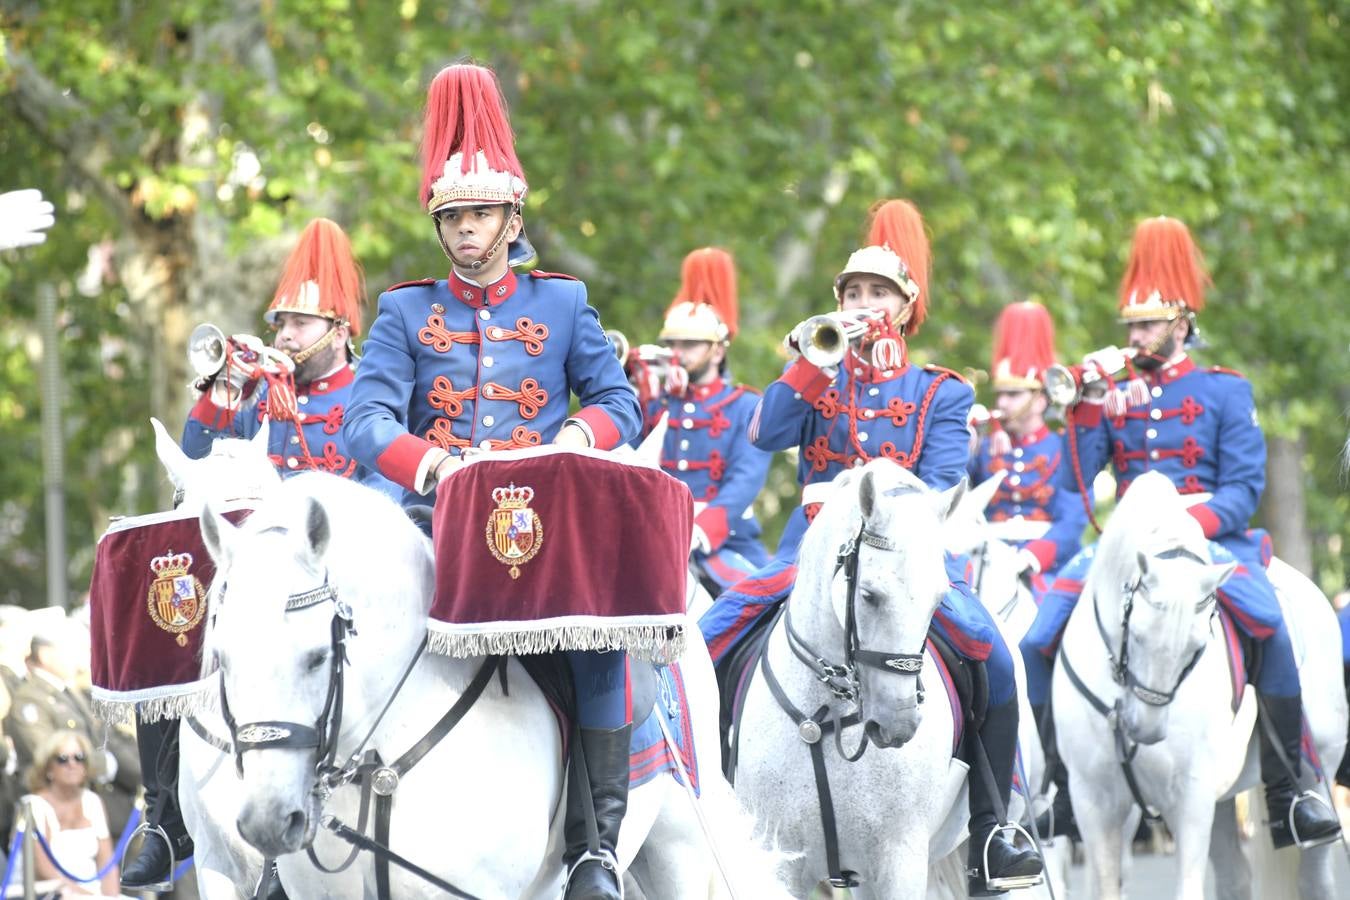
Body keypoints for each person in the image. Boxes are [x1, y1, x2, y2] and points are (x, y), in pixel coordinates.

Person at [343, 63, 641, 899]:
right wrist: (435, 466)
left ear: (512, 217)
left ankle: (595, 847)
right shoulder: (404, 311)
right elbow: (363, 424)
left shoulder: (564, 301)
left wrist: (579, 435)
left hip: (540, 523)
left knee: (599, 638)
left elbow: (620, 400)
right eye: (452, 218)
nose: (465, 232)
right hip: (429, 519)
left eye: (479, 215)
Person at [698, 199, 1043, 895]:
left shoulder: (939, 391)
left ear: (905, 305)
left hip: (905, 552)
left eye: (876, 292)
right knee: (707, 635)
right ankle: (705, 793)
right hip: (811, 545)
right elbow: (764, 433)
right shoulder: (818, 373)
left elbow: (946, 478)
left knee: (993, 655)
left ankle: (994, 830)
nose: (861, 303)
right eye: (851, 292)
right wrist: (807, 365)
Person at [1020, 216, 1342, 849]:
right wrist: (1083, 407)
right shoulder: (1115, 396)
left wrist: (1178, 527)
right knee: (1036, 639)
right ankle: (1059, 786)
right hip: (1126, 544)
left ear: (1182, 323)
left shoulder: (1226, 390)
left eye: (1147, 324)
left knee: (1271, 627)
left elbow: (1244, 490)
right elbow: (1075, 482)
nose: (1136, 336)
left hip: (1212, 539)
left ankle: (1290, 790)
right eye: (1131, 326)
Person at [180, 217, 389, 485]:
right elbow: (196, 464)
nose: (285, 334)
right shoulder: (255, 396)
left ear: (338, 336)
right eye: (281, 325)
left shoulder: (371, 400)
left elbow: (387, 500)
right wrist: (225, 390)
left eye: (300, 323)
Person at [640, 247, 772, 591]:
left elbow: (744, 482)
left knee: (765, 604)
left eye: (691, 344)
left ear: (718, 349)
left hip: (724, 542)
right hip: (653, 537)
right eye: (673, 344)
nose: (678, 353)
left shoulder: (746, 406)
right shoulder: (655, 402)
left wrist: (702, 530)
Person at [20, 731, 120, 897]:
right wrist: (88, 897)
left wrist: (111, 897)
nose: (72, 764)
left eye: (79, 757)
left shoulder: (93, 801)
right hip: (50, 893)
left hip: (93, 893)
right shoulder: (33, 805)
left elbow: (107, 864)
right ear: (48, 768)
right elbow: (43, 870)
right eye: (62, 759)